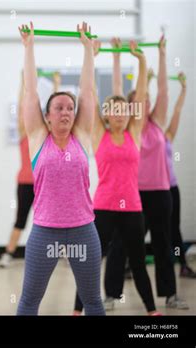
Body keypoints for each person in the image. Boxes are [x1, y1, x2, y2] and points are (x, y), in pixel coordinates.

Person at [16, 21, 104, 315]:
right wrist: (29, 47)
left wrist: (88, 51)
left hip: (83, 229)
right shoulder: (39, 138)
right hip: (45, 231)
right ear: (47, 116)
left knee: (92, 300)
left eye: (69, 107)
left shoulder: (81, 136)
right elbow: (30, 92)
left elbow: (88, 91)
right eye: (59, 108)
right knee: (29, 300)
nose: (66, 111)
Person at [73, 39, 160, 315]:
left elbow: (143, 94)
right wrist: (91, 54)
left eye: (124, 110)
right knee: (91, 261)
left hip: (132, 208)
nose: (120, 114)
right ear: (107, 114)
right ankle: (77, 310)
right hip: (103, 207)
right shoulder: (99, 134)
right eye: (115, 110)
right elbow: (89, 93)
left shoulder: (134, 133)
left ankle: (151, 310)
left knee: (137, 263)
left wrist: (142, 58)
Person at [108, 36, 189, 310]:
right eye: (139, 102)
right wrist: (118, 56)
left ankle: (170, 294)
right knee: (122, 245)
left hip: (161, 194)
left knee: (163, 244)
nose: (146, 103)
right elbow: (119, 90)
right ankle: (111, 294)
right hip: (133, 196)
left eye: (146, 100)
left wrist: (163, 54)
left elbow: (164, 92)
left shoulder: (158, 126)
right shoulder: (131, 130)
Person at [0, 72, 60, 268]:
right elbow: (21, 109)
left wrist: (57, 83)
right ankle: (8, 253)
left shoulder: (49, 137)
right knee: (21, 220)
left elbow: (57, 110)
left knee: (53, 219)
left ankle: (61, 252)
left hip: (46, 184)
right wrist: (23, 82)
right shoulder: (25, 134)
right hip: (26, 182)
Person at [162, 72, 195, 278]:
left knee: (174, 228)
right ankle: (128, 265)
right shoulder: (140, 135)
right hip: (148, 191)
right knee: (137, 230)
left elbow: (176, 110)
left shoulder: (166, 136)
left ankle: (183, 265)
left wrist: (183, 88)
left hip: (171, 188)